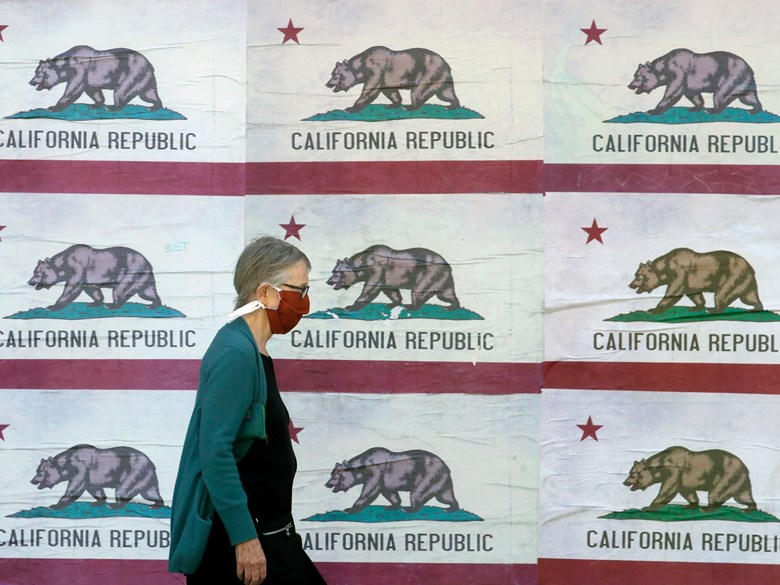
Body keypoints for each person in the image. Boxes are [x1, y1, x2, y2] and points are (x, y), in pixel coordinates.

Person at [169, 236, 327, 585]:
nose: (305, 302)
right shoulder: (236, 354)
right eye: (299, 290)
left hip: (270, 535)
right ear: (265, 293)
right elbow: (215, 450)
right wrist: (244, 538)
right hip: (243, 544)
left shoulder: (252, 349)